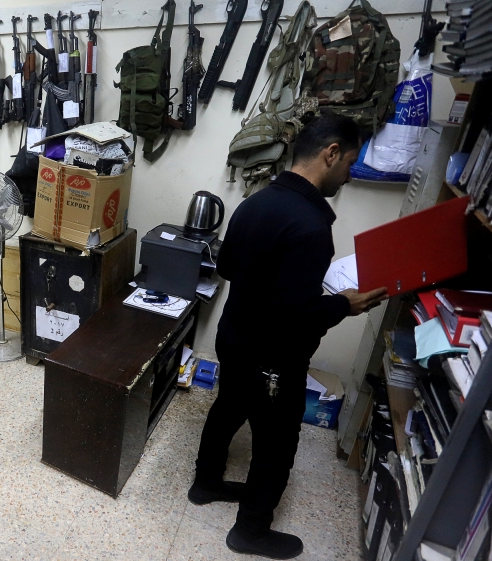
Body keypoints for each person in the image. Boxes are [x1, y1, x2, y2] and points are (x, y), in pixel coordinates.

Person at [189, 113, 389, 559]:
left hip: (234, 335)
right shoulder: (312, 227)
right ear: (330, 153)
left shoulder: (254, 203)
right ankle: (251, 532)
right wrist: (345, 304)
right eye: (350, 162)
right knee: (277, 443)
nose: (349, 173)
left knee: (228, 407)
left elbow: (226, 269)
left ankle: (204, 484)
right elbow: (295, 317)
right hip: (274, 358)